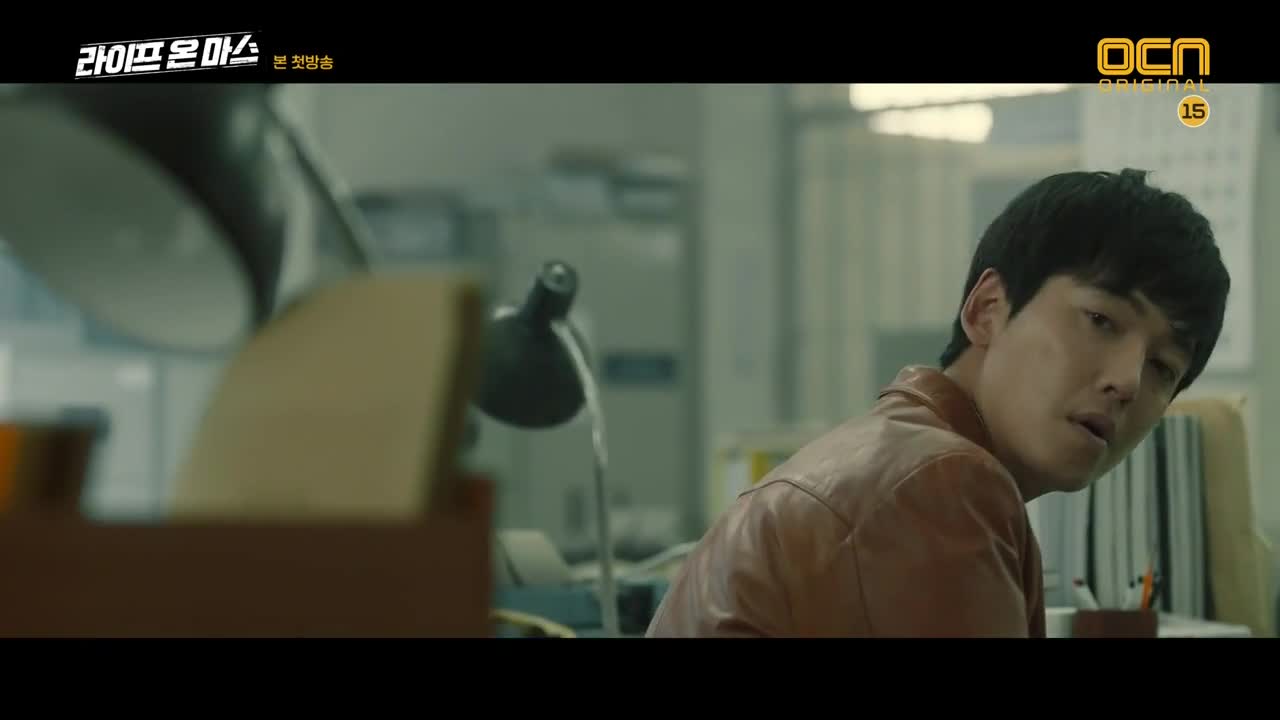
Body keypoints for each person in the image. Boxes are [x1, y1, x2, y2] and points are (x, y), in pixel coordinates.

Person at [647, 168, 1231, 637]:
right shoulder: (939, 482)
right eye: (1101, 320)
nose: (1128, 382)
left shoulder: (900, 456)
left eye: (1162, 367)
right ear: (988, 309)